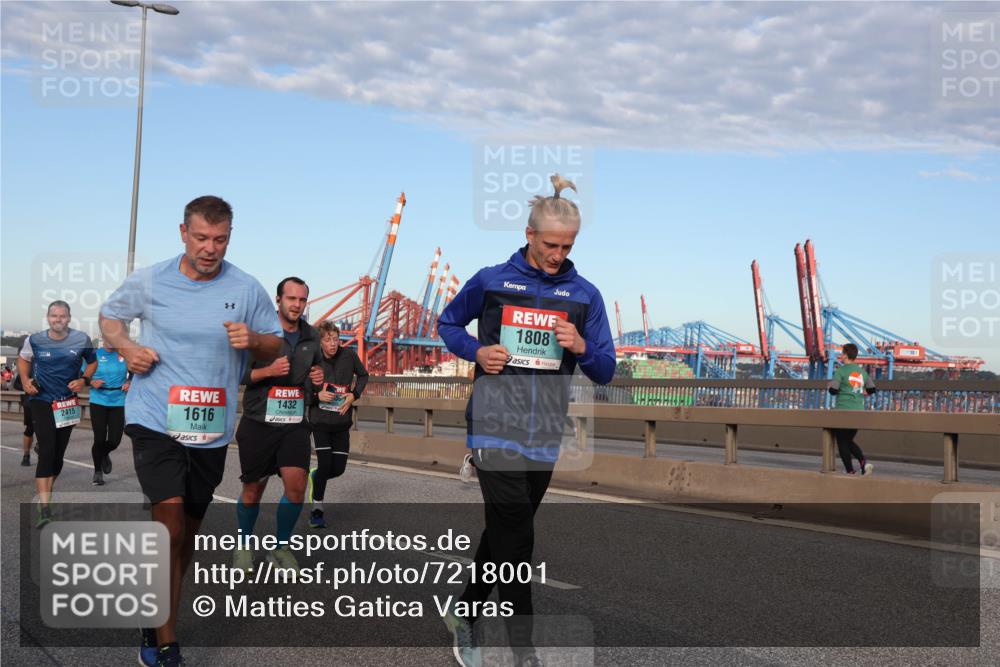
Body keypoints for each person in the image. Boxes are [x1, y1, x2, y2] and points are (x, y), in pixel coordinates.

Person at [437, 174, 616, 666]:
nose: (558, 255)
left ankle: (464, 612)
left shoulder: (585, 295)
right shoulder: (491, 280)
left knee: (504, 532)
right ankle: (524, 652)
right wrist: (477, 351)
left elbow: (606, 369)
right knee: (518, 539)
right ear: (529, 234)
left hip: (544, 432)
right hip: (493, 424)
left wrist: (581, 346)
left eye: (567, 246)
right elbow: (447, 323)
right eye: (550, 245)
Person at [100, 195, 282, 667]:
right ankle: (165, 643)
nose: (210, 248)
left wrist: (254, 340)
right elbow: (110, 318)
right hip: (154, 418)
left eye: (220, 239)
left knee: (189, 535)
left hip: (210, 429)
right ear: (184, 233)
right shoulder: (151, 280)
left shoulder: (246, 287)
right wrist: (127, 348)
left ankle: (154, 611)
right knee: (171, 525)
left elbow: (275, 343)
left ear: (229, 237)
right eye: (201, 237)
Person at [232, 276, 323, 573]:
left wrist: (318, 379)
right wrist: (268, 371)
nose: (297, 305)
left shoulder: (312, 336)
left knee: (296, 487)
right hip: (258, 422)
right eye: (291, 298)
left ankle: (281, 548)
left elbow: (316, 373)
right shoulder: (260, 332)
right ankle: (243, 545)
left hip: (294, 422)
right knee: (253, 491)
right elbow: (236, 374)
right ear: (279, 299)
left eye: (302, 300)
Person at [17, 301, 97, 526]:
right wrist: (25, 380)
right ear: (48, 317)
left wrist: (84, 380)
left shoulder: (82, 339)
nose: (58, 319)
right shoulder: (34, 340)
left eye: (62, 316)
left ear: (69, 318)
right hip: (42, 400)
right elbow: (23, 359)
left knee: (57, 456)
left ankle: (47, 491)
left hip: (67, 403)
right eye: (54, 316)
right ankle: (44, 508)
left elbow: (92, 363)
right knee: (47, 451)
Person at [307, 321, 369, 529]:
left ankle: (315, 475)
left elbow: (363, 375)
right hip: (320, 422)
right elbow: (302, 387)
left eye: (336, 339)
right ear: (320, 342)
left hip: (342, 422)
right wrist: (316, 396)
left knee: (338, 469)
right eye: (328, 340)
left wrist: (354, 395)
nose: (333, 343)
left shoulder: (349, 356)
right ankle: (317, 510)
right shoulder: (312, 359)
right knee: (325, 465)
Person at [827, 343, 876, 475]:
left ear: (845, 355)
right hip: (858, 411)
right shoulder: (862, 372)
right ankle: (863, 464)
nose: (840, 355)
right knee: (848, 440)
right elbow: (872, 389)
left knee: (842, 441)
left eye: (842, 353)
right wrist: (862, 392)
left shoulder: (841, 371)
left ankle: (850, 470)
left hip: (843, 410)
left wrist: (830, 386)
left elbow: (833, 391)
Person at [87, 339, 131, 486]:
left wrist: (129, 381)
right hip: (98, 400)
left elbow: (134, 373)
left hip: (118, 400)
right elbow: (82, 374)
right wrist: (91, 382)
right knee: (99, 439)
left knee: (115, 440)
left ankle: (104, 453)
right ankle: (97, 472)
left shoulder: (124, 354)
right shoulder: (95, 355)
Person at [12, 370, 36, 466]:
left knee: (46, 428)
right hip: (30, 403)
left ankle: (40, 447)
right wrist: (26, 387)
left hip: (46, 402)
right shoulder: (28, 368)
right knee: (30, 428)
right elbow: (16, 384)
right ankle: (26, 455)